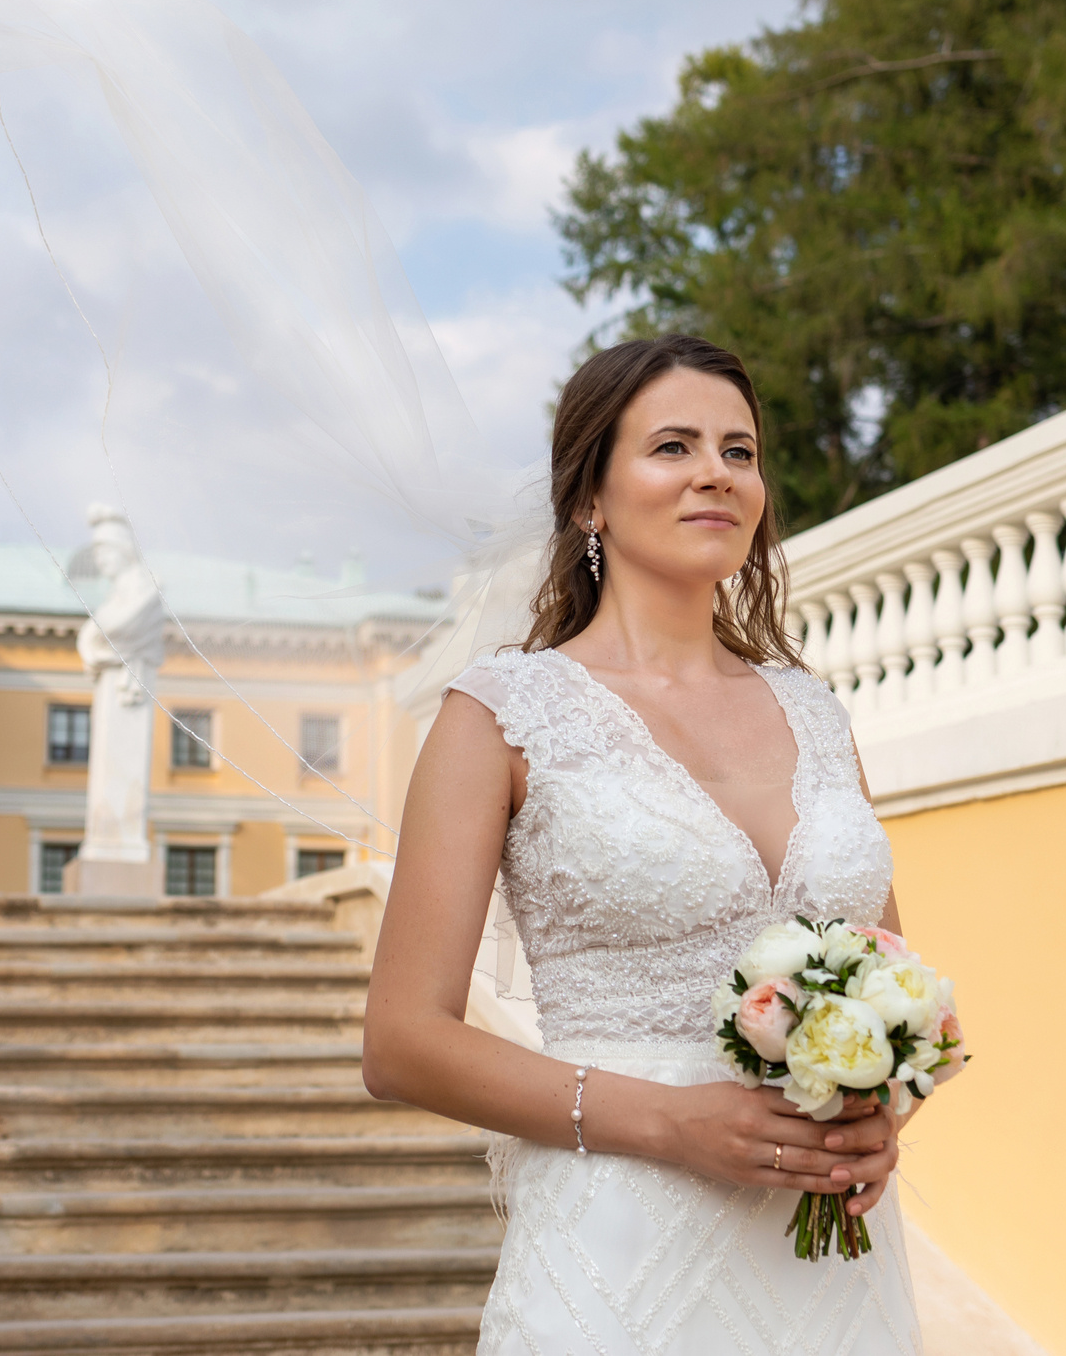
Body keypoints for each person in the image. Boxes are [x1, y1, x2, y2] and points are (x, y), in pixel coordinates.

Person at [365, 333, 921, 1353]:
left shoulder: (817, 713)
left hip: (832, 1265)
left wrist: (881, 1112)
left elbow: (900, 984)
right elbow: (401, 1042)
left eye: (739, 451)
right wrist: (668, 1122)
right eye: (673, 446)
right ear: (589, 498)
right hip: (618, 1253)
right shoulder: (499, 714)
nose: (716, 471)